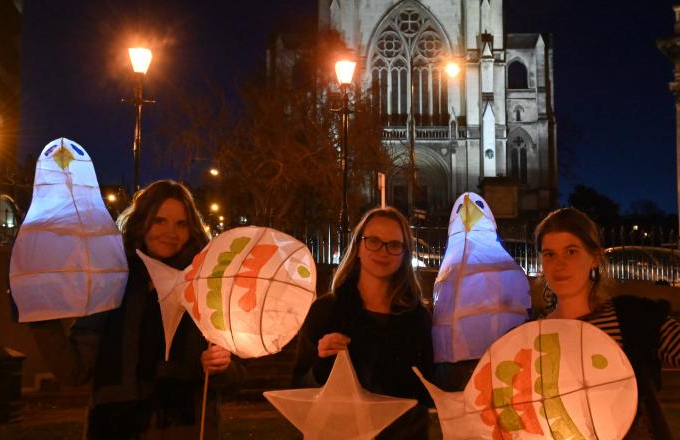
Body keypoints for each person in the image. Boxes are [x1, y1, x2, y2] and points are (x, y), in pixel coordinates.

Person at [536, 207, 680, 440]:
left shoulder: (634, 319)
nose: (560, 264)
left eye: (571, 251)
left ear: (595, 259)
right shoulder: (531, 338)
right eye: (550, 254)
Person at [29, 180, 244, 439]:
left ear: (192, 229)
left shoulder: (206, 289)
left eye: (181, 224)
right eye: (159, 221)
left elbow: (234, 379)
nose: (170, 233)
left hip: (187, 428)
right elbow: (75, 370)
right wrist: (38, 315)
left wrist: (221, 368)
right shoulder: (110, 284)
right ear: (142, 222)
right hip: (116, 429)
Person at [292, 207, 434, 439]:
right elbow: (299, 387)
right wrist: (321, 363)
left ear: (404, 254)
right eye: (374, 241)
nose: (383, 251)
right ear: (358, 246)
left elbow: (427, 392)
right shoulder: (326, 312)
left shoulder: (417, 318)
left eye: (394, 245)